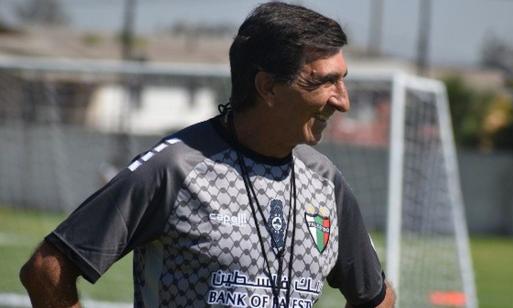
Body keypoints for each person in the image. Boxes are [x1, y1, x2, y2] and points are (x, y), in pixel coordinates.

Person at [20, 2, 395, 307]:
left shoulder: (326, 182)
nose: (342, 101)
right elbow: (47, 269)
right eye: (324, 81)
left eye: (342, 79)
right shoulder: (176, 169)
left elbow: (375, 298)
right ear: (267, 87)